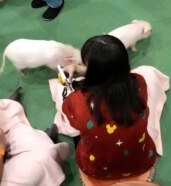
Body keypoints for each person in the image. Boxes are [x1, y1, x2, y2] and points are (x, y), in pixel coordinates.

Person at [62, 35, 158, 184]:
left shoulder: (77, 100)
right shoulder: (138, 82)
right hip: (140, 161)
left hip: (97, 169)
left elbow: (73, 124)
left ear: (92, 71)